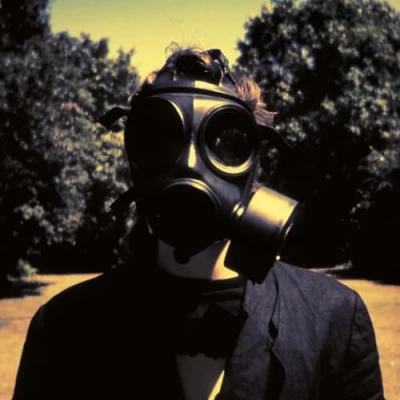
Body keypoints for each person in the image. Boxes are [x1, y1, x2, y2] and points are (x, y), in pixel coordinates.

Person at [12, 46, 385, 400]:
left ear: (255, 163)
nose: (190, 164)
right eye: (161, 138)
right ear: (134, 158)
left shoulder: (331, 317)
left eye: (226, 142)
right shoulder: (65, 327)